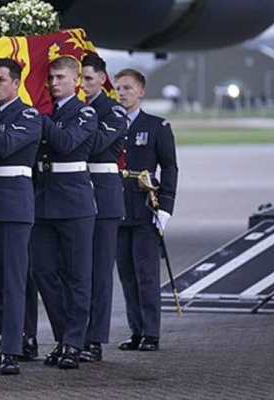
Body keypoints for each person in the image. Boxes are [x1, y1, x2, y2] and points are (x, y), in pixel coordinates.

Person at [32, 56, 98, 370]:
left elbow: (67, 142)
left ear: (75, 81)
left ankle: (74, 343)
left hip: (74, 204)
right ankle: (64, 338)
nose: (54, 83)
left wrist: (40, 118)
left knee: (77, 276)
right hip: (44, 201)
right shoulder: (47, 112)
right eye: (51, 78)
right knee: (44, 272)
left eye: (60, 78)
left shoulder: (85, 113)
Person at [0, 58, 42, 375]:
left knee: (14, 279)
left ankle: (12, 348)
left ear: (16, 83)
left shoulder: (28, 115)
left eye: (2, 79)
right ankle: (7, 332)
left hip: (14, 206)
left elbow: (4, 146)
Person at [114, 69, 178, 352]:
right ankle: (136, 331)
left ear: (141, 92)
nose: (122, 92)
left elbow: (170, 167)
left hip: (144, 206)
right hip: (118, 207)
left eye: (128, 88)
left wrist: (165, 207)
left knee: (146, 274)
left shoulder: (157, 126)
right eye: (119, 88)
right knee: (126, 275)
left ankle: (152, 333)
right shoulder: (111, 124)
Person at [79, 54, 128, 363]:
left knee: (99, 272)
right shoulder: (74, 110)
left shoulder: (114, 111)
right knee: (77, 270)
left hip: (104, 197)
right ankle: (76, 334)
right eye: (79, 78)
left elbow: (95, 145)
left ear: (101, 79)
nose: (82, 84)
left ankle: (94, 338)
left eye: (87, 78)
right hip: (78, 193)